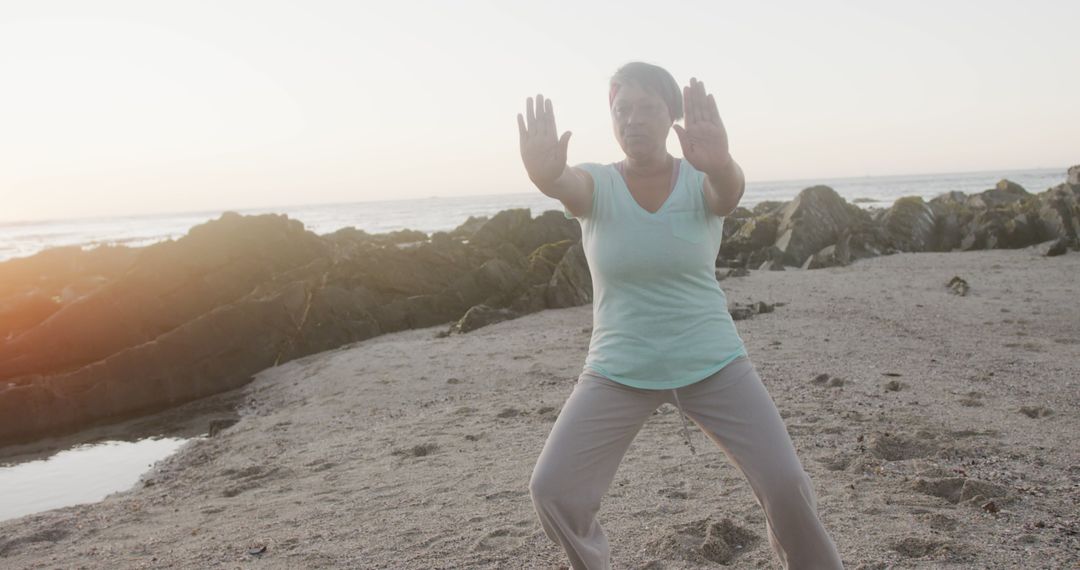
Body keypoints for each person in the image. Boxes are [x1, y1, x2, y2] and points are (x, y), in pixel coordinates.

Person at [517, 62, 843, 570]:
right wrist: (547, 175)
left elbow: (726, 193)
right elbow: (567, 184)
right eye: (622, 109)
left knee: (786, 485)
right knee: (553, 489)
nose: (633, 120)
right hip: (617, 369)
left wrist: (720, 163)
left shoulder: (699, 179)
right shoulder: (598, 185)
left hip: (713, 362)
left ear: (672, 115)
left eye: (647, 108)